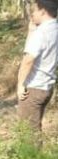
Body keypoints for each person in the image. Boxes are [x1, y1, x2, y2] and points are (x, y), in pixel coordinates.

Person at [17, 0, 58, 132]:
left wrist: (20, 84)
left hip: (34, 88)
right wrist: (31, 31)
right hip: (46, 87)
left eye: (34, 10)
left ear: (43, 11)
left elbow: (28, 59)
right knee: (35, 126)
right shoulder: (54, 28)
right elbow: (30, 50)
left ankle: (32, 153)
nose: (32, 14)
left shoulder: (42, 32)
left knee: (29, 132)